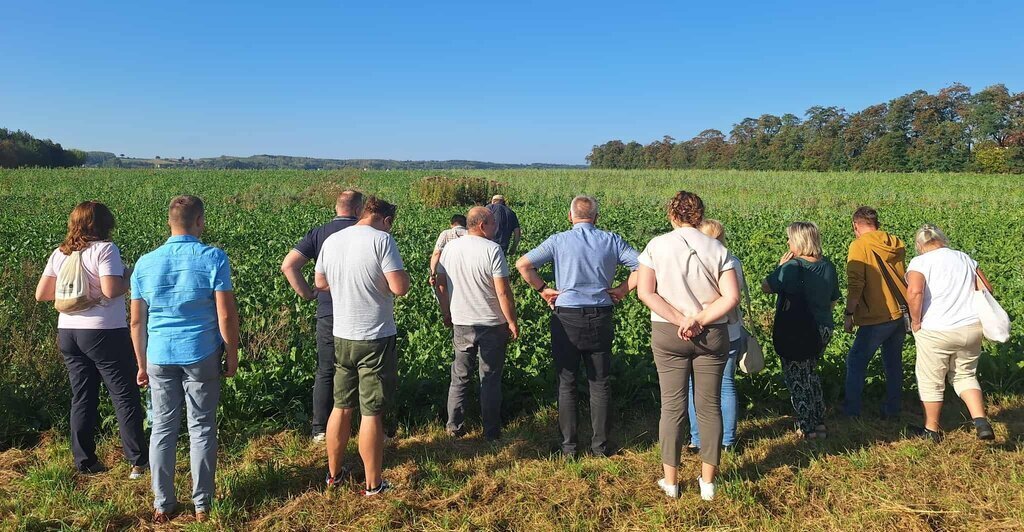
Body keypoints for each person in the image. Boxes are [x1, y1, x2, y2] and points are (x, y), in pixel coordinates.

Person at [130, 195, 240, 524]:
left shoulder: (144, 263)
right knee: (202, 428)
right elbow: (225, 314)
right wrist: (231, 352)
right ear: (199, 221)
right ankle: (202, 505)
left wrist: (140, 363)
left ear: (169, 222)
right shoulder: (214, 258)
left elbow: (136, 322)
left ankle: (163, 504)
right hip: (201, 351)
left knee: (162, 428)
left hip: (159, 355)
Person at [515, 196, 638, 458]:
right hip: (600, 313)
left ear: (570, 217)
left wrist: (543, 289)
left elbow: (523, 264)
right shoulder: (611, 240)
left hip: (566, 315)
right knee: (600, 381)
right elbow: (645, 264)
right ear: (596, 216)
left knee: (567, 380)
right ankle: (600, 447)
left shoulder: (559, 240)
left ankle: (569, 447)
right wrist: (622, 290)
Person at [636, 191, 739, 501]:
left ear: (672, 215)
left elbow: (646, 292)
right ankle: (708, 483)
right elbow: (731, 297)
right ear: (699, 215)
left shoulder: (656, 245)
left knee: (672, 406)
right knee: (709, 406)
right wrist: (699, 320)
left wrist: (681, 319)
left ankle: (671, 481)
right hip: (712, 333)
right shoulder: (718, 248)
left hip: (668, 332)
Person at [34, 201, 148, 478]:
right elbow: (111, 291)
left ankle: (85, 461)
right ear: (105, 224)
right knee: (123, 395)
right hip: (104, 331)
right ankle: (138, 462)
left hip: (68, 332)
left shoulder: (60, 254)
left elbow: (43, 294)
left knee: (82, 396)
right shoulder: (105, 249)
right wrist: (128, 276)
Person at [314, 196, 410, 496]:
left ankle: (333, 475)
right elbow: (400, 287)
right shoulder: (382, 241)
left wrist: (347, 285)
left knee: (341, 407)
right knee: (371, 413)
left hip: (342, 334)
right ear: (386, 220)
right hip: (375, 336)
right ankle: (373, 484)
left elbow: (319, 282)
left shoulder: (333, 241)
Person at [280, 189, 365, 442]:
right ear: (359, 210)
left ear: (337, 208)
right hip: (360, 311)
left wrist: (308, 293)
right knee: (363, 369)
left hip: (329, 311)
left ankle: (320, 429)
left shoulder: (319, 233)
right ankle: (367, 426)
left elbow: (289, 265)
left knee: (326, 370)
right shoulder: (368, 233)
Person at [905, 225, 995, 442]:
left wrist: (916, 321)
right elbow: (986, 289)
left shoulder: (920, 262)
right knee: (965, 375)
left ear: (919, 245)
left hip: (936, 331)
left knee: (931, 380)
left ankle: (932, 430)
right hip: (971, 328)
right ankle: (980, 420)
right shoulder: (964, 258)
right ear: (942, 239)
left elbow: (915, 291)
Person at [436, 207, 518, 441]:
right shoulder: (493, 250)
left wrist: (446, 311)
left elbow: (440, 284)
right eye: (493, 223)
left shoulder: (450, 248)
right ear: (482, 225)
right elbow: (502, 291)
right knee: (490, 378)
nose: (496, 227)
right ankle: (491, 431)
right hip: (491, 323)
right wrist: (512, 321)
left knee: (460, 376)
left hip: (461, 321)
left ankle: (454, 428)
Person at [762, 222, 840, 440]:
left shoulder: (791, 267)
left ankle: (807, 428)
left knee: (797, 378)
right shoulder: (828, 266)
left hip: (796, 330)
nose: (787, 242)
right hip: (822, 328)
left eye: (790, 239)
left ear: (798, 241)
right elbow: (833, 299)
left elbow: (766, 286)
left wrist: (780, 266)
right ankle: (819, 422)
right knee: (811, 374)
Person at [843, 206, 908, 418]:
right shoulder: (895, 242)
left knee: (856, 361)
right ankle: (893, 409)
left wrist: (849, 313)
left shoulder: (859, 246)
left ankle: (851, 412)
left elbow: (856, 283)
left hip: (875, 316)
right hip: (899, 312)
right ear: (876, 223)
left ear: (856, 225)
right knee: (893, 362)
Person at [686, 219, 744, 453]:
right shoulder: (732, 261)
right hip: (729, 330)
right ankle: (727, 440)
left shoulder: (690, 260)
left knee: (694, 386)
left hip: (696, 330)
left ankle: (697, 439)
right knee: (726, 385)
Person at [428, 214, 468, 288]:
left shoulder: (445, 234)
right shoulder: (470, 234)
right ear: (465, 224)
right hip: (467, 272)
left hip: (447, 271)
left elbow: (437, 253)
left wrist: (432, 274)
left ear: (451, 225)